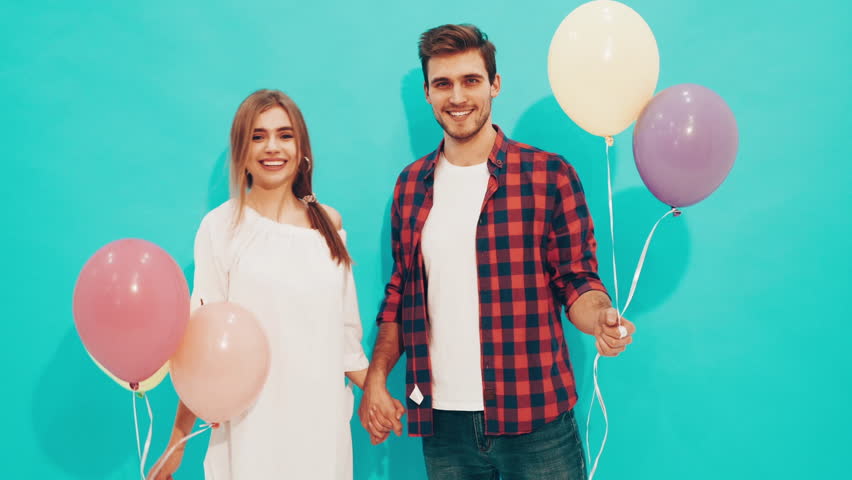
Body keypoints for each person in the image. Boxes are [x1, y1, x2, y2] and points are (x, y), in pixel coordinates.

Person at [358, 24, 636, 480]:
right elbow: (400, 294)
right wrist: (376, 376)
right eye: (443, 84)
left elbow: (577, 281)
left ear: (495, 84)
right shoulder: (411, 186)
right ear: (427, 93)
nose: (457, 96)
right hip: (442, 425)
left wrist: (602, 317)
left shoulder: (549, 175)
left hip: (536, 420)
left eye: (471, 80)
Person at [149, 89, 369, 480]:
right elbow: (201, 343)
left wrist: (382, 394)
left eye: (285, 135)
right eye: (257, 136)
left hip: (320, 427)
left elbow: (346, 341)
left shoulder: (329, 225)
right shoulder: (221, 228)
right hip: (249, 429)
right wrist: (176, 442)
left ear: (302, 148)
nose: (272, 147)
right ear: (242, 151)